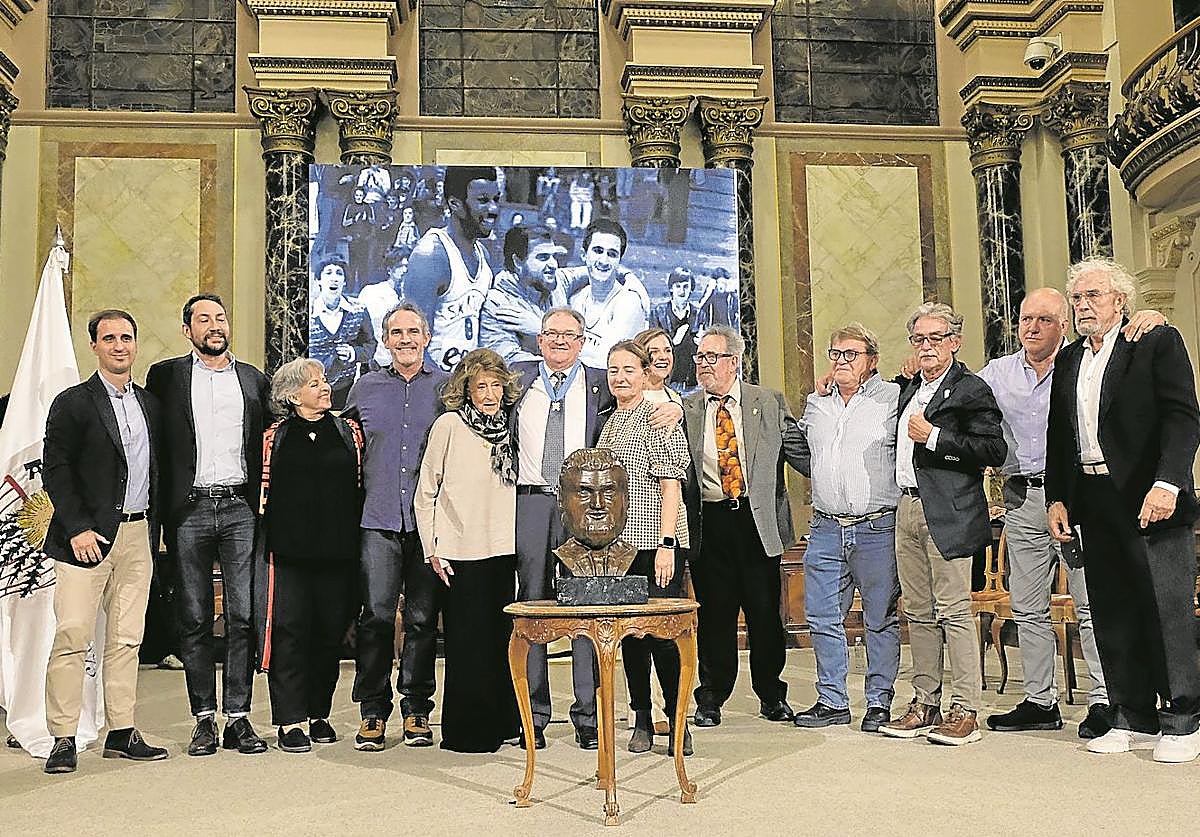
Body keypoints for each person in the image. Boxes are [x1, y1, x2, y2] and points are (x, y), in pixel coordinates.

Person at [980, 288, 1162, 739]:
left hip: (1077, 499)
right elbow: (952, 392)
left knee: (1090, 602)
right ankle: (1040, 701)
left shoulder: (1080, 363)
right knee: (1027, 606)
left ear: (1064, 324)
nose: (1031, 327)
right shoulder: (998, 372)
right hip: (1022, 498)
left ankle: (1105, 699)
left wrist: (1153, 316)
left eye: (1043, 319)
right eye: (1025, 319)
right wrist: (907, 378)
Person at [1046, 258, 1200, 763]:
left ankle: (1182, 720)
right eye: (1077, 298)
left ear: (1120, 301)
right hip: (1093, 500)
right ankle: (1130, 716)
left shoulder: (1153, 341)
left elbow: (1182, 415)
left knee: (1164, 612)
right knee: (1112, 611)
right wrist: (1057, 497)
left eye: (1094, 295)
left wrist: (1169, 482)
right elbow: (1059, 437)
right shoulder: (1068, 360)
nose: (1084, 305)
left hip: (1150, 497)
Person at [41, 309, 169, 774]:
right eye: (109, 338)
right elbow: (55, 469)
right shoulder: (72, 403)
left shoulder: (151, 405)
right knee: (73, 635)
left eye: (127, 338)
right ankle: (62, 737)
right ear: (93, 345)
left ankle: (121, 731)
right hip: (85, 538)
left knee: (126, 639)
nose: (119, 346)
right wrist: (76, 528)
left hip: (138, 536)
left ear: (136, 345)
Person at [145, 294, 271, 757]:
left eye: (220, 317)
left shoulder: (253, 380)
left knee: (242, 616)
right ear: (187, 330)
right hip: (189, 510)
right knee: (195, 617)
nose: (214, 325)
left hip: (240, 508)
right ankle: (203, 718)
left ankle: (238, 717)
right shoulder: (166, 377)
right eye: (204, 319)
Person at [878, 302, 1006, 746]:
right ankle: (924, 701)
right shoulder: (910, 386)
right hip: (907, 508)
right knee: (918, 611)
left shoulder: (971, 390)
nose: (927, 347)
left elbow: (994, 451)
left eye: (936, 339)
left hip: (949, 512)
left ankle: (966, 708)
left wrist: (934, 437)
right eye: (919, 340)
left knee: (953, 610)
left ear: (954, 342)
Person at [683, 325, 805, 728]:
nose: (703, 365)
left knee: (764, 615)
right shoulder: (687, 408)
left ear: (734, 361)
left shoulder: (767, 402)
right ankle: (711, 697)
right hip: (710, 523)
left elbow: (799, 454)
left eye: (711, 357)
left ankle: (771, 695)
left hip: (755, 520)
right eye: (699, 357)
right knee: (715, 617)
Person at [342, 302, 449, 751]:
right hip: (377, 520)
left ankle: (417, 710)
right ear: (385, 340)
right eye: (396, 332)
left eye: (413, 331)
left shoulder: (447, 389)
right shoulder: (363, 388)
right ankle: (372, 711)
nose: (405, 339)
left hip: (431, 525)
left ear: (427, 337)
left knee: (423, 620)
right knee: (377, 618)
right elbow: (341, 443)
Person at [791, 323, 901, 734]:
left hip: (877, 528)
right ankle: (832, 700)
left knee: (879, 619)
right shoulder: (816, 404)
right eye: (835, 354)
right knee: (821, 615)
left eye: (850, 354)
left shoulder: (892, 398)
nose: (840, 361)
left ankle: (878, 702)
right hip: (825, 528)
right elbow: (806, 454)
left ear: (871, 360)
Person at [508, 308, 610, 751]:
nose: (559, 341)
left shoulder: (601, 382)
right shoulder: (517, 380)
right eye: (551, 334)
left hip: (581, 505)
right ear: (539, 338)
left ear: (583, 341)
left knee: (584, 608)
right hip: (528, 503)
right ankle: (534, 715)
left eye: (569, 335)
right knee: (532, 608)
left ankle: (588, 715)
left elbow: (649, 398)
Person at [415, 348, 521, 753]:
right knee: (466, 644)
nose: (490, 393)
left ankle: (504, 723)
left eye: (496, 385)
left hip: (502, 551)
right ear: (467, 390)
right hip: (459, 551)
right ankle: (467, 732)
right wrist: (432, 548)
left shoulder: (511, 427)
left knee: (500, 642)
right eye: (481, 386)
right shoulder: (449, 426)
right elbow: (426, 493)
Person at [258, 359, 364, 754]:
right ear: (292, 395)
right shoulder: (274, 437)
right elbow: (263, 495)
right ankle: (290, 720)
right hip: (290, 555)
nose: (324, 388)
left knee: (327, 634)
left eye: (323, 381)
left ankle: (318, 713)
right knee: (290, 634)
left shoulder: (348, 432)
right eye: (315, 384)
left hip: (338, 553)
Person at [598, 341, 693, 757]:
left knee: (662, 635)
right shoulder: (609, 422)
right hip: (618, 548)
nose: (620, 377)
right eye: (613, 370)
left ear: (645, 372)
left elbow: (671, 484)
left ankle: (677, 721)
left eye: (629, 370)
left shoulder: (658, 417)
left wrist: (666, 544)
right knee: (631, 637)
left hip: (656, 541)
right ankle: (640, 716)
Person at [406, 166, 500, 372]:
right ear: (455, 204)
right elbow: (412, 346)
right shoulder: (431, 256)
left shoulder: (484, 255)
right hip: (431, 388)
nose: (493, 209)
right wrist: (448, 391)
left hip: (466, 384)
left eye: (496, 199)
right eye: (483, 200)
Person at [480, 225, 569, 364]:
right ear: (517, 261)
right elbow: (509, 364)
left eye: (554, 256)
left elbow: (586, 272)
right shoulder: (497, 304)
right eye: (543, 257)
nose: (553, 264)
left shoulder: (553, 285)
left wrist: (542, 328)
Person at [569, 219, 649, 367]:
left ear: (619, 261)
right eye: (598, 251)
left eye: (612, 254)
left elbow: (607, 364)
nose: (604, 260)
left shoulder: (628, 303)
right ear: (583, 255)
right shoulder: (576, 299)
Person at [308, 256, 377, 410]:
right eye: (328, 273)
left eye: (339, 274)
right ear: (318, 280)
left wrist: (353, 353)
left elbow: (371, 345)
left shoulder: (358, 310)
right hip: (309, 391)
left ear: (345, 281)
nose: (334, 278)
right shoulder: (305, 312)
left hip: (345, 389)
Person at [358, 247, 410, 370]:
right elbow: (361, 329)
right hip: (376, 360)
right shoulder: (372, 292)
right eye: (400, 266)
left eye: (408, 267)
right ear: (390, 269)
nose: (404, 271)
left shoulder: (412, 296)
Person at [649, 267, 701, 390]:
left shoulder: (699, 314)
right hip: (665, 378)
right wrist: (674, 341)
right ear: (671, 288)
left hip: (690, 380)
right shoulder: (658, 312)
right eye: (678, 286)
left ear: (691, 289)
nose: (682, 291)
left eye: (686, 286)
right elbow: (651, 348)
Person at [697, 267, 739, 334]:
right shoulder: (711, 297)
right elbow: (701, 307)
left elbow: (737, 311)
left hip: (727, 331)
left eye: (724, 283)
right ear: (715, 283)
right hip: (713, 331)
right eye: (720, 282)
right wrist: (710, 290)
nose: (722, 285)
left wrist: (734, 292)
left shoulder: (731, 298)